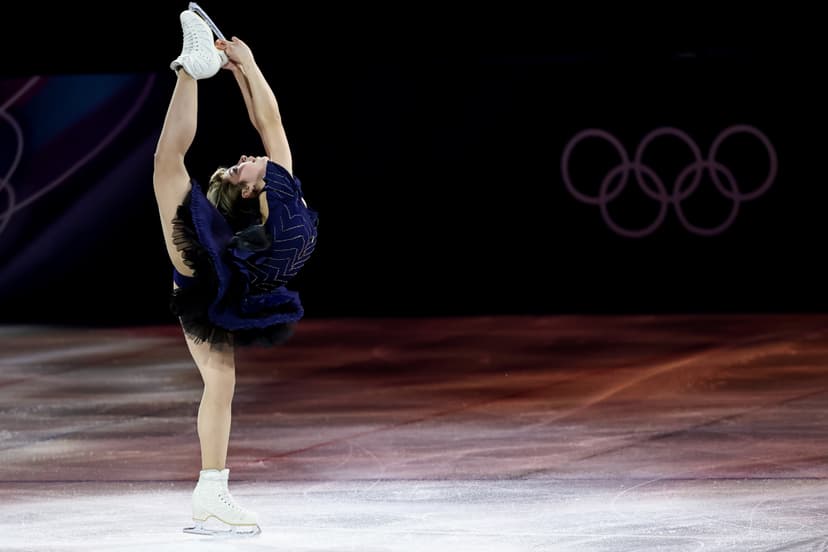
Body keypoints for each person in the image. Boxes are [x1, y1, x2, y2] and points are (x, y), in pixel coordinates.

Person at [153, 7, 319, 537]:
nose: (247, 158)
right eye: (244, 164)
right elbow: (267, 122)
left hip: (222, 275)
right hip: (220, 272)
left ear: (252, 191)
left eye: (243, 165)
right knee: (220, 382)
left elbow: (266, 125)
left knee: (167, 166)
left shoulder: (278, 195)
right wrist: (247, 67)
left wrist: (246, 68)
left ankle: (190, 68)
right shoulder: (279, 187)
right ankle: (211, 491)